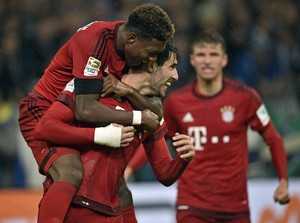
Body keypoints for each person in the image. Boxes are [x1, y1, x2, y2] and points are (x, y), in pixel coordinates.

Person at [18, 3, 175, 223]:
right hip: (43, 109)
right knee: (70, 172)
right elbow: (84, 108)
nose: (151, 60)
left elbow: (156, 112)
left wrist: (129, 93)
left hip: (71, 113)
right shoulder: (95, 41)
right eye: (151, 53)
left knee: (119, 189)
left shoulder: (129, 45)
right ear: (131, 39)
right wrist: (136, 118)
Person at [125, 30, 290, 223]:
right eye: (201, 55)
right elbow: (155, 140)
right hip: (192, 206)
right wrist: (129, 168)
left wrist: (283, 181)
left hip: (235, 208)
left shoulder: (245, 97)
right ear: (193, 60)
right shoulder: (177, 102)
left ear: (224, 60)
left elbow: (273, 138)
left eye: (213, 55)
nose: (207, 61)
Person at [34, 42, 195, 222]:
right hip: (75, 208)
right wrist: (100, 136)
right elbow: (45, 128)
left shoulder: (152, 115)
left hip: (112, 213)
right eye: (172, 67)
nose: (176, 75)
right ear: (151, 65)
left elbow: (165, 174)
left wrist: (183, 158)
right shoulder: (93, 89)